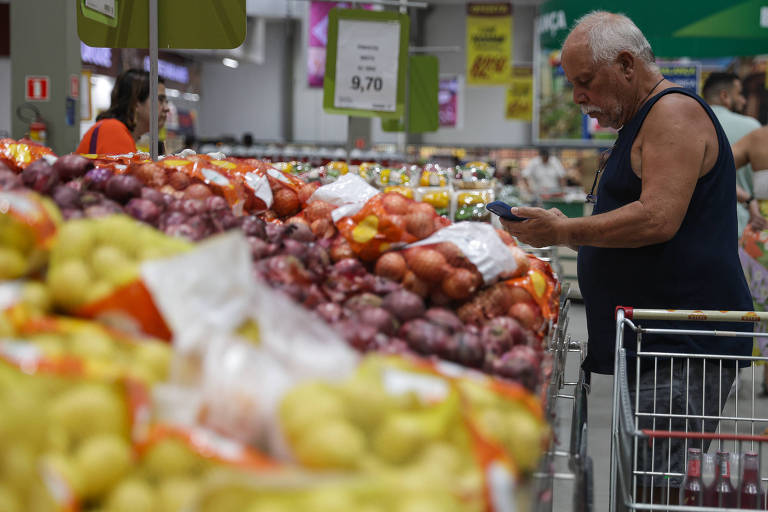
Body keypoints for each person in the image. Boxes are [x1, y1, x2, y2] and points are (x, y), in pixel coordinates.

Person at [500, 11, 753, 500]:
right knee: (642, 481)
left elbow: (658, 217)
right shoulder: (642, 120)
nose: (578, 97)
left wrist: (565, 229)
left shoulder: (672, 113)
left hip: (680, 345)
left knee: (653, 487)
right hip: (653, 343)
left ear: (625, 64)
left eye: (585, 82)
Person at [702, 71, 766, 236]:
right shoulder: (753, 129)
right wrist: (749, 200)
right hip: (746, 226)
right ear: (724, 95)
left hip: (703, 224)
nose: (743, 101)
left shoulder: (688, 124)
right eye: (740, 94)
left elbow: (716, 167)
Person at [77, 69, 170, 155]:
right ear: (136, 102)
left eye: (166, 102)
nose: (167, 108)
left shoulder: (119, 132)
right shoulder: (112, 130)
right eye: (160, 100)